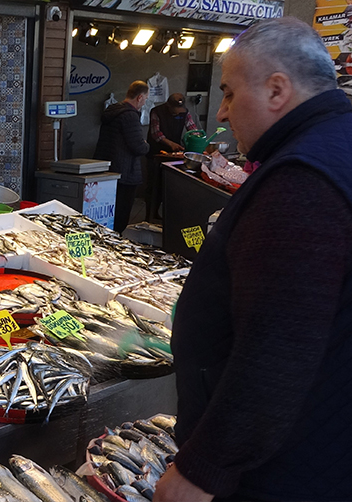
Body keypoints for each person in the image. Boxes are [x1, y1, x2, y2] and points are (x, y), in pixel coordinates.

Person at [155, 17, 352, 502]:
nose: (221, 113)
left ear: (277, 90)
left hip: (287, 468)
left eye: (228, 93)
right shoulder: (339, 145)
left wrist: (204, 470)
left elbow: (277, 348)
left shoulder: (303, 180)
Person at [93, 80, 150, 233]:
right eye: (145, 98)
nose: (145, 102)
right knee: (120, 214)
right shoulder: (130, 116)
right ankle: (116, 243)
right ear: (139, 97)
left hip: (106, 170)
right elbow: (139, 146)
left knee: (106, 212)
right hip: (125, 173)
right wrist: (146, 144)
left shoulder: (113, 111)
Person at [144, 93, 199, 221]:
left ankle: (167, 216)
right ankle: (149, 215)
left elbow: (192, 128)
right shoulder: (157, 111)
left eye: (180, 111)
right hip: (156, 152)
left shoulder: (185, 112)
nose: (178, 113)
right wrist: (171, 144)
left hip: (174, 155)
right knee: (153, 185)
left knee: (168, 184)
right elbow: (156, 133)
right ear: (169, 106)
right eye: (175, 111)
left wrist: (197, 140)